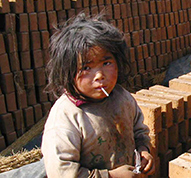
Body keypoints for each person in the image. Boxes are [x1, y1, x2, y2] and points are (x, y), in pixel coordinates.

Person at [41, 14, 155, 177]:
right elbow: (61, 173)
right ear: (67, 72)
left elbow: (138, 131)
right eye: (86, 68)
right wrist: (110, 176)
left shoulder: (122, 97)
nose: (100, 75)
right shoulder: (66, 117)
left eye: (106, 63)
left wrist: (144, 150)